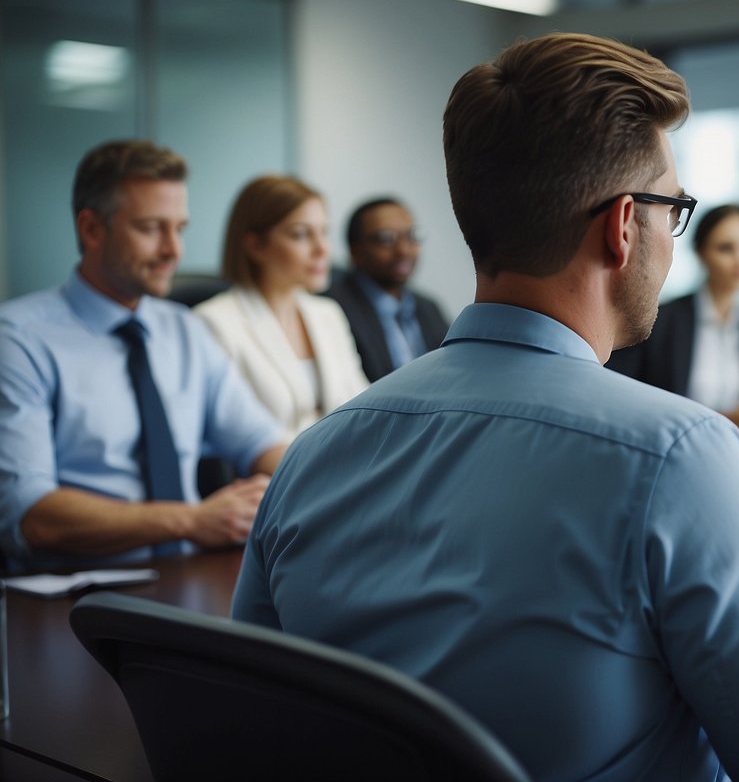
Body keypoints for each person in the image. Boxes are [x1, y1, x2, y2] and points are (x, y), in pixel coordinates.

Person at [232, 33, 739, 781]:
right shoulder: (677, 457)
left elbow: (249, 726)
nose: (673, 235)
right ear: (624, 225)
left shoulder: (315, 454)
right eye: (675, 209)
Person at [0, 139, 286, 575]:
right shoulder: (19, 341)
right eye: (152, 228)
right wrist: (190, 520)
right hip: (75, 595)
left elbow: (259, 442)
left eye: (180, 228)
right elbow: (32, 515)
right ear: (92, 229)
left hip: (188, 580)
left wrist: (303, 481)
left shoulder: (184, 330)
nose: (174, 250)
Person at [194, 175, 367, 440]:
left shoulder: (327, 314)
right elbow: (233, 435)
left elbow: (363, 407)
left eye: (324, 231)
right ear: (255, 246)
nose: (322, 249)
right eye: (300, 234)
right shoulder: (213, 323)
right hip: (277, 475)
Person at [608, 203, 739, 431]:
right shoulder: (661, 320)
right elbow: (629, 399)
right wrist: (731, 417)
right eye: (726, 248)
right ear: (701, 254)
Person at [325, 196, 450, 381]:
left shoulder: (429, 308)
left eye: (412, 236)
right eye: (386, 238)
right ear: (355, 250)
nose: (403, 250)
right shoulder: (331, 308)